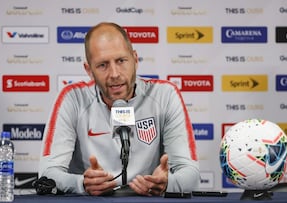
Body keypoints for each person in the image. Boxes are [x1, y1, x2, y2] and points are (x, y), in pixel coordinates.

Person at [39, 22, 200, 196]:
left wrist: (168, 183)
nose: (114, 74)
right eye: (102, 65)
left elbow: (190, 174)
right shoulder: (73, 99)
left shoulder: (165, 95)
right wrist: (82, 184)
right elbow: (47, 174)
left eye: (121, 61)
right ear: (89, 70)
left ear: (135, 59)